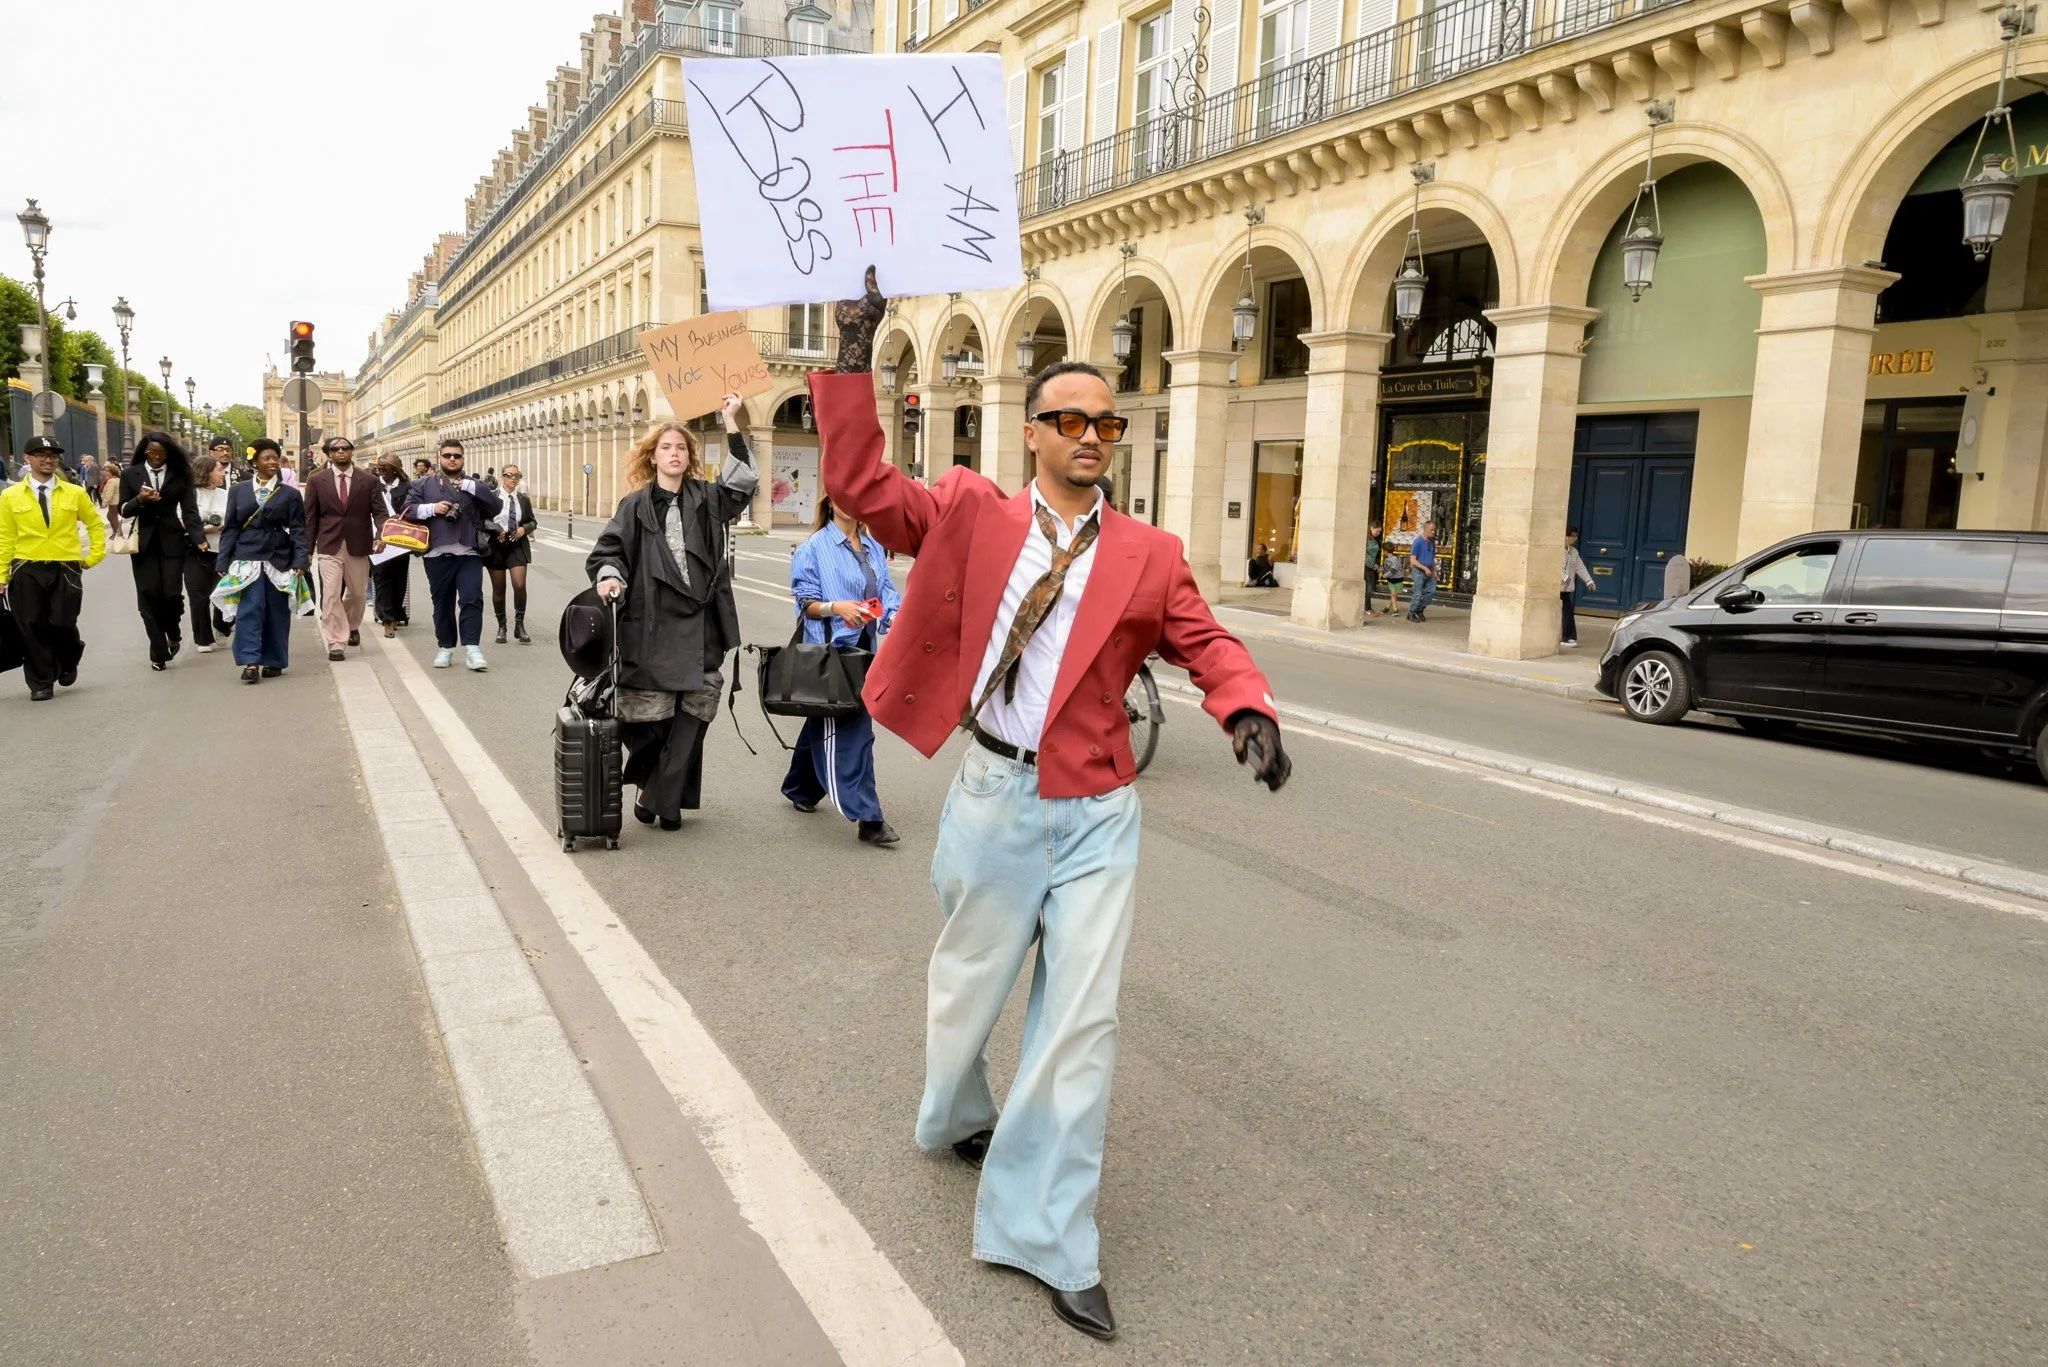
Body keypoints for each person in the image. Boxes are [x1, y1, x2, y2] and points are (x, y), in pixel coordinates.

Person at [815, 272, 1290, 1342]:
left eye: (1105, 422)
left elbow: (1205, 641)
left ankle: (1046, 1232)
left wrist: (1243, 706)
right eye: (1068, 419)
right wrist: (854, 352)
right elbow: (859, 481)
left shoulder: (1149, 554)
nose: (1088, 435)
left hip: (1095, 810)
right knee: (966, 989)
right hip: (990, 791)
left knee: (1081, 1023)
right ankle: (955, 1108)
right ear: (1030, 432)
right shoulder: (971, 513)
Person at [588, 394, 756, 831]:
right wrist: (609, 577)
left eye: (681, 447)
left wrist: (731, 421)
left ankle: (661, 796)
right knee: (646, 715)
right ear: (652, 456)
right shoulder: (635, 505)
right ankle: (657, 788)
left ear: (689, 456)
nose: (675, 453)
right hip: (651, 622)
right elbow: (609, 551)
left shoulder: (707, 497)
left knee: (696, 709)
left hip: (701, 623)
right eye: (666, 447)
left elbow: (743, 485)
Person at [783, 493, 902, 846]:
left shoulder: (872, 546)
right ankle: (869, 817)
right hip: (833, 653)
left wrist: (894, 616)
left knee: (825, 717)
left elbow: (887, 593)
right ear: (830, 502)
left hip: (865, 651)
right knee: (854, 731)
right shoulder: (814, 548)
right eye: (843, 496)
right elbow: (806, 604)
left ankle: (800, 788)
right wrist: (838, 607)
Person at [0, 436, 105, 700]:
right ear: (27, 458)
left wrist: (94, 555)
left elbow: (94, 524)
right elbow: (5, 536)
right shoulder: (10, 496)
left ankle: (69, 658)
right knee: (31, 624)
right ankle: (41, 682)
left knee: (63, 622)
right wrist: (1, 576)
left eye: (52, 455)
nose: (47, 459)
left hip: (65, 567)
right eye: (40, 454)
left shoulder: (75, 493)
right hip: (26, 566)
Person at [215, 439, 309, 684]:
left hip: (279, 557)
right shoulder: (238, 490)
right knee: (250, 609)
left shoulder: (290, 494)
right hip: (246, 556)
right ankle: (250, 661)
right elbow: (231, 527)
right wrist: (223, 560)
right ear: (254, 461)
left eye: (275, 458)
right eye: (266, 458)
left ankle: (275, 660)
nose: (272, 462)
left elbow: (298, 529)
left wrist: (301, 560)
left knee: (277, 611)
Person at [405, 438, 503, 671]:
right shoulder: (423, 484)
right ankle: (445, 647)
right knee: (442, 603)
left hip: (469, 552)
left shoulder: (475, 485)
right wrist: (432, 508)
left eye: (456, 456)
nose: (452, 459)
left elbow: (496, 506)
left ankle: (472, 649)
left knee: (472, 599)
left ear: (462, 459)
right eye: (447, 455)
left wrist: (474, 488)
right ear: (439, 457)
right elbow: (407, 510)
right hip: (436, 554)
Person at [118, 431, 209, 672]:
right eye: (152, 453)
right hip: (144, 544)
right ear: (145, 453)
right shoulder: (130, 474)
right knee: (148, 595)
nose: (157, 457)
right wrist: (140, 499)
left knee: (171, 594)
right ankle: (158, 651)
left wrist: (199, 538)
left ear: (169, 453)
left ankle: (174, 631)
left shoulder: (180, 475)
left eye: (161, 453)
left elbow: (190, 511)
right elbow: (124, 510)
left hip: (172, 542)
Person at [304, 435, 379, 662]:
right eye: (336, 449)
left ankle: (351, 624)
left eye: (345, 448)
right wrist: (307, 550)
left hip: (358, 543)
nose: (341, 452)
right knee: (331, 593)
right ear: (329, 455)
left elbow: (380, 512)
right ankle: (336, 642)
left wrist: (382, 534)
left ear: (351, 452)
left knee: (358, 593)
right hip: (329, 544)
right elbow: (311, 517)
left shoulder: (368, 481)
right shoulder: (317, 481)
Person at [484, 463, 537, 644]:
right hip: (497, 544)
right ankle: (502, 626)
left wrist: (524, 529)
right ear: (502, 477)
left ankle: (520, 625)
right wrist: (496, 528)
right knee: (499, 589)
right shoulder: (492, 497)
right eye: (509, 475)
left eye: (517, 475)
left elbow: (532, 521)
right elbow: (483, 519)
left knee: (519, 584)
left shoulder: (523, 499)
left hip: (517, 544)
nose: (514, 478)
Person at [189, 454, 231, 651]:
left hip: (222, 550)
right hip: (195, 549)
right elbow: (183, 520)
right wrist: (205, 529)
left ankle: (222, 625)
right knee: (198, 595)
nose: (222, 473)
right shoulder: (190, 494)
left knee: (223, 590)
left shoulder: (225, 494)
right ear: (206, 472)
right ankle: (203, 639)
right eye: (219, 470)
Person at [370, 457, 414, 637]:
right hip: (377, 538)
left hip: (400, 539)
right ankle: (387, 618)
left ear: (395, 469)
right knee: (381, 577)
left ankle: (395, 611)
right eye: (379, 466)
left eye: (385, 466)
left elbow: (414, 508)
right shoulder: (372, 485)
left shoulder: (407, 487)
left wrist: (402, 516)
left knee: (398, 578)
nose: (380, 469)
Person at [1560, 525, 1595, 647]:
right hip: (1556, 587)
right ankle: (1566, 637)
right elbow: (1552, 566)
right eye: (1572, 536)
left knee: (1568, 611)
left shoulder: (1573, 552)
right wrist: (1563, 577)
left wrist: (1588, 580)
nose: (1575, 538)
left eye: (1575, 536)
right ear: (1565, 536)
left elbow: (1580, 567)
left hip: (1565, 589)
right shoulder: (1556, 550)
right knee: (1565, 611)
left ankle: (1568, 637)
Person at [1406, 518, 1439, 622]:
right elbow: (1413, 560)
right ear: (1425, 529)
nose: (1433, 532)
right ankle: (1412, 612)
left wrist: (1433, 571)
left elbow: (1432, 557)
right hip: (1419, 570)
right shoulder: (1418, 542)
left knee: (1431, 591)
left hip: (1429, 570)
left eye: (1434, 530)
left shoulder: (1432, 542)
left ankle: (1419, 610)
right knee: (1418, 593)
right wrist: (1425, 568)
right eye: (1431, 530)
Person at [1363, 518, 1386, 618]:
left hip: (1371, 566)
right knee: (1368, 587)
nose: (1378, 533)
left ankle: (1366, 607)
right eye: (1377, 531)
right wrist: (1371, 564)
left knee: (1370, 587)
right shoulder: (1366, 539)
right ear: (1371, 528)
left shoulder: (1373, 540)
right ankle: (1367, 608)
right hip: (1366, 566)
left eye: (1379, 532)